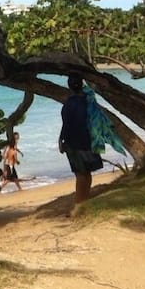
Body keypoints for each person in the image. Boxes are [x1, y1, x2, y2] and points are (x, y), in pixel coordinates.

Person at [59, 74, 103, 206]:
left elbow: (67, 125)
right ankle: (85, 200)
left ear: (69, 87)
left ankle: (79, 205)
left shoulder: (69, 104)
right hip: (89, 140)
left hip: (74, 142)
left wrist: (61, 141)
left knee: (80, 174)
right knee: (87, 173)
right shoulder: (89, 101)